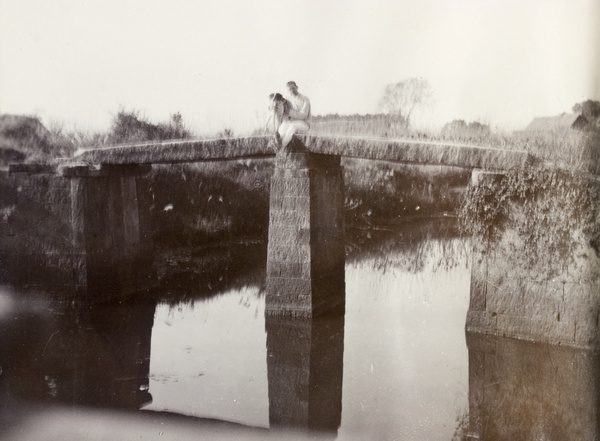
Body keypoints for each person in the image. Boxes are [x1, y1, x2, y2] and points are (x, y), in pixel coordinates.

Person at [277, 81, 310, 148]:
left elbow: (304, 115)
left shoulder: (305, 99)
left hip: (303, 124)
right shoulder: (286, 100)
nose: (291, 91)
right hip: (290, 122)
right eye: (289, 89)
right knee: (281, 130)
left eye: (293, 88)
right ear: (287, 90)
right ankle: (277, 145)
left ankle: (281, 147)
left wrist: (289, 112)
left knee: (293, 127)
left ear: (297, 87)